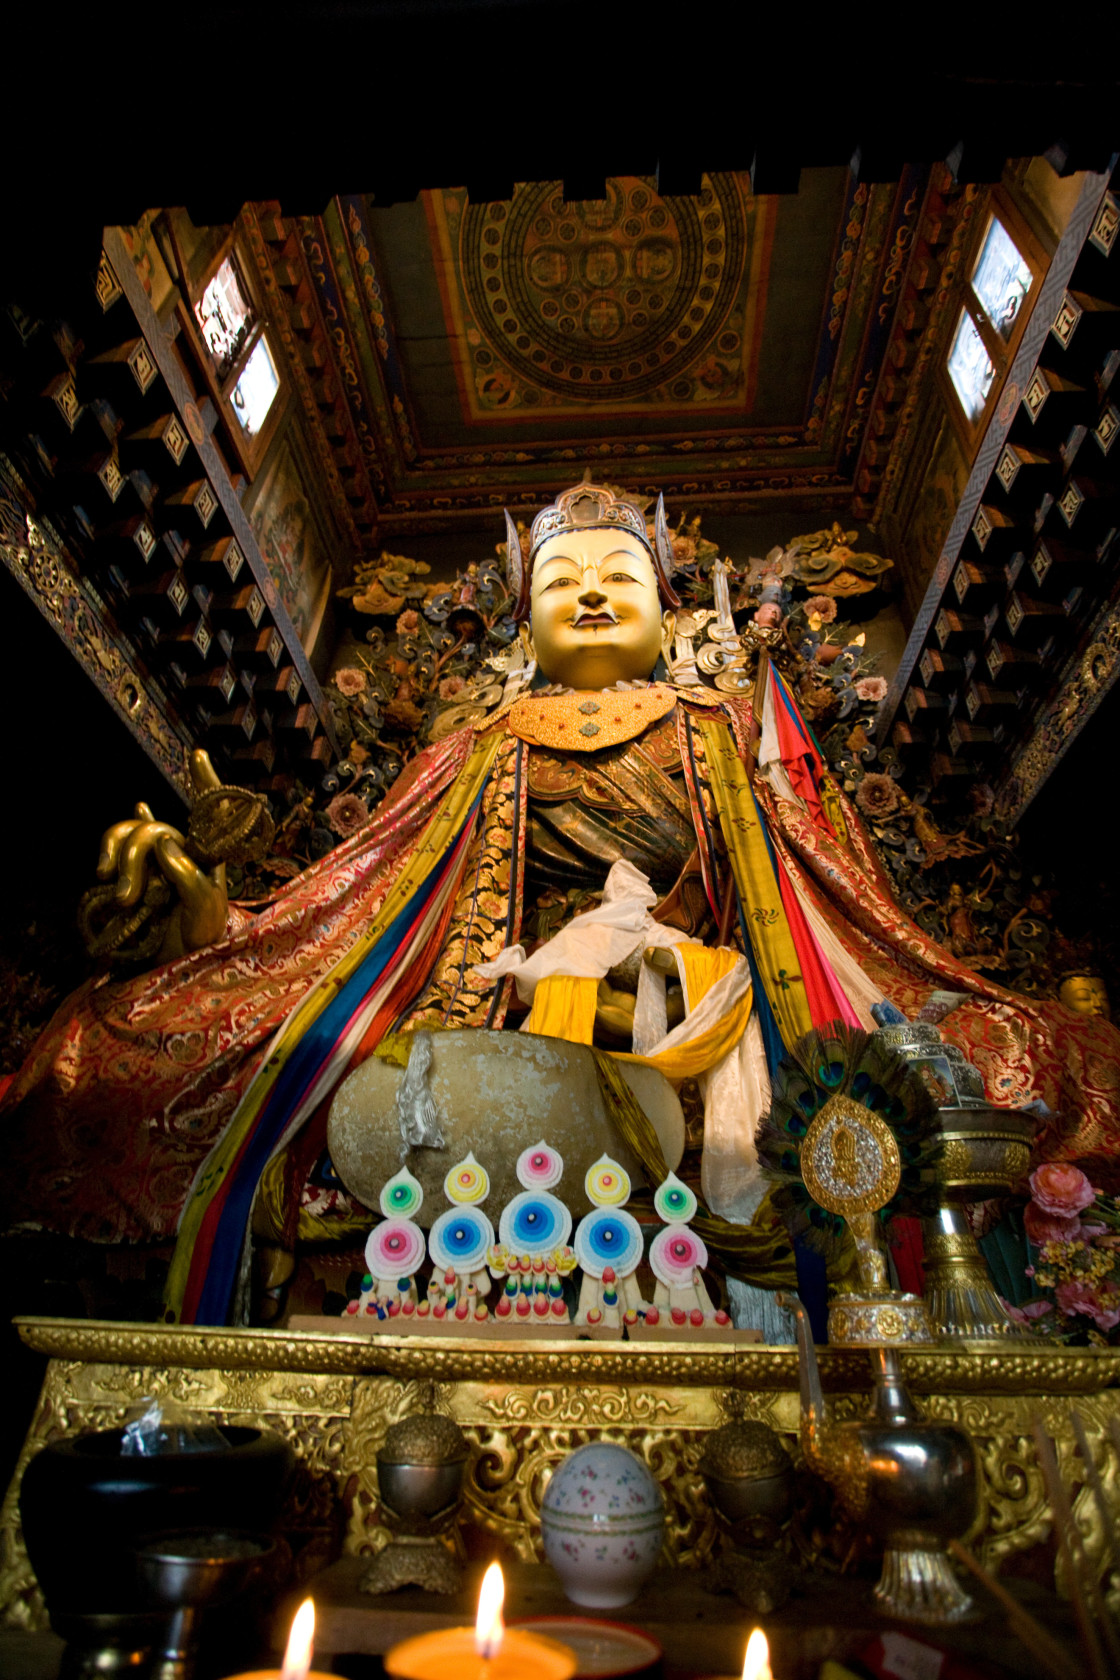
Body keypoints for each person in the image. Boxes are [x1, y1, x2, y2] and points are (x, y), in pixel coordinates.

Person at [3, 482, 1118, 1325]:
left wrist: (682, 963)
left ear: (671, 613)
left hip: (699, 1010)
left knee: (1024, 1048)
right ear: (519, 620)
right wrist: (227, 930)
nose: (590, 593)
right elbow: (359, 896)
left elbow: (824, 897)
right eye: (562, 581)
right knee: (147, 1050)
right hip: (494, 999)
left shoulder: (716, 728)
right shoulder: (479, 740)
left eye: (619, 579)